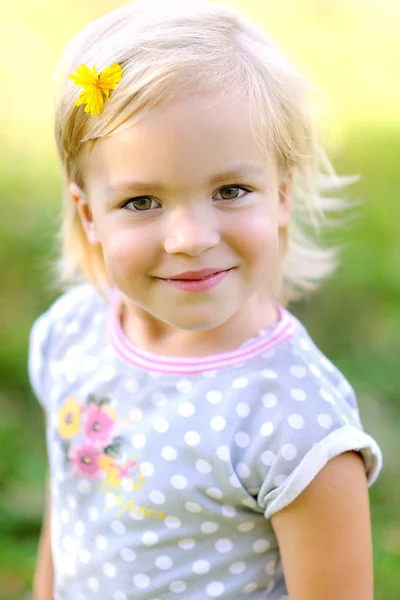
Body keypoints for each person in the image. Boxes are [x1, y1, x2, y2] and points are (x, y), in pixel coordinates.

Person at [29, 1, 383, 598]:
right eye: (141, 201)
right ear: (89, 215)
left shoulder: (296, 425)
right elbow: (67, 515)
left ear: (282, 197)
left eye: (231, 190)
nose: (191, 238)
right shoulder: (73, 334)